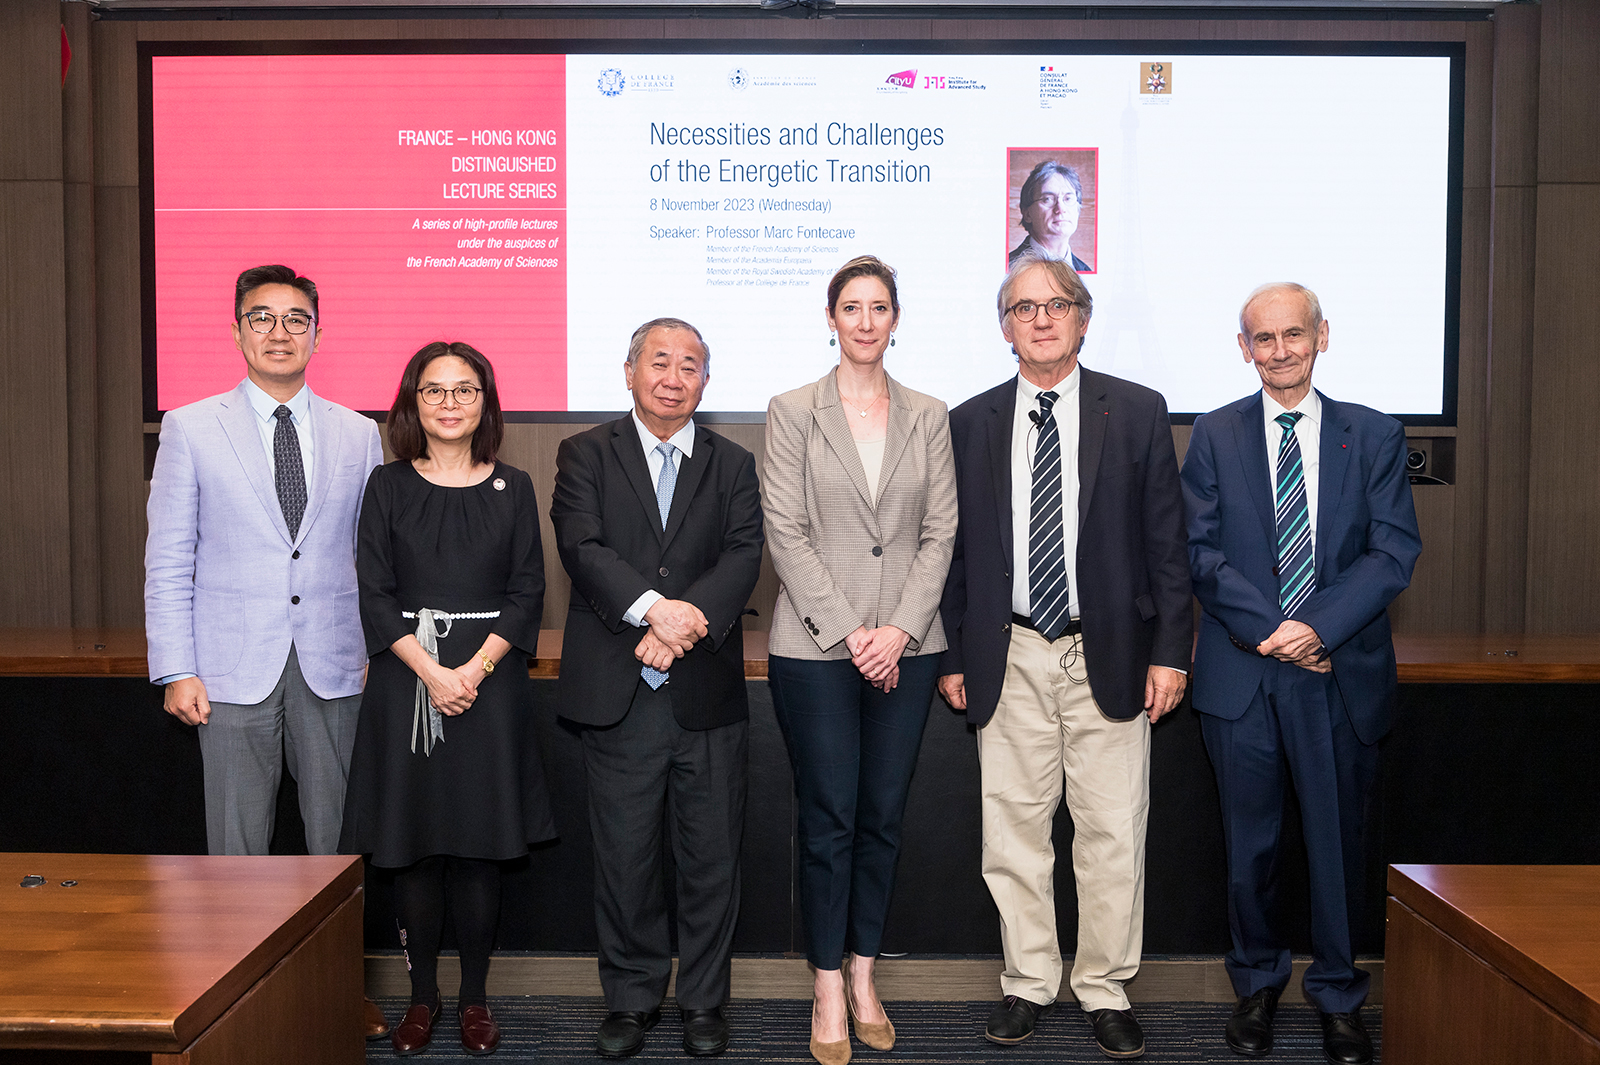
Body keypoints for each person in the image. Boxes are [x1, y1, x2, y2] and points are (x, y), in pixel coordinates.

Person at [937, 252, 1191, 1060]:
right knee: (1011, 828)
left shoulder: (1139, 409)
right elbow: (954, 552)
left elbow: (1168, 545)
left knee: (1112, 829)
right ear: (1003, 326)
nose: (1040, 318)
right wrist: (951, 652)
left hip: (1108, 650)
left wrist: (1172, 652)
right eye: (1023, 307)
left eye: (1056, 305)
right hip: (1005, 648)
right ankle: (1027, 980)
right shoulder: (970, 420)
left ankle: (1106, 986)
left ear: (1083, 318)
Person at [143, 263, 389, 1040]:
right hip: (229, 668)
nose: (279, 332)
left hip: (335, 663)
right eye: (261, 317)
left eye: (295, 318)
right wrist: (175, 665)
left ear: (319, 331)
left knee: (337, 847)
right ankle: (236, 1002)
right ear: (237, 329)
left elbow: (372, 555)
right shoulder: (189, 425)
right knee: (236, 852)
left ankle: (340, 992)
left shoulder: (358, 431)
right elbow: (167, 555)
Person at [1180, 283, 1420, 1065]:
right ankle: (1256, 984)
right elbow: (1200, 552)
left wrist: (1316, 627)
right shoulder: (1213, 434)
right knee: (1250, 846)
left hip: (1335, 671)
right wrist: (1272, 632)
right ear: (1242, 345)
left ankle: (1341, 994)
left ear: (1323, 335)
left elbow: (1393, 552)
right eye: (1263, 337)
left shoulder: (1374, 434)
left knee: (1335, 842)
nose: (1280, 350)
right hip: (1244, 672)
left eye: (1294, 334)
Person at [550, 318, 764, 1059]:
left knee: (711, 859)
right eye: (660, 361)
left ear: (707, 379)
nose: (674, 375)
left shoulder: (734, 464)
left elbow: (744, 552)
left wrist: (685, 623)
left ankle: (704, 1000)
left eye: (692, 365)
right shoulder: (584, 454)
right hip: (620, 693)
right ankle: (634, 996)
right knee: (626, 857)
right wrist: (655, 610)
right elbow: (581, 544)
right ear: (630, 370)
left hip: (704, 695)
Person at [763, 256, 958, 1065]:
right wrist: (854, 634)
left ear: (897, 318)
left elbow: (940, 531)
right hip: (814, 651)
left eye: (880, 307)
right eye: (853, 307)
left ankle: (866, 971)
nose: (867, 320)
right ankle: (827, 985)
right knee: (828, 820)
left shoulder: (929, 413)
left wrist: (899, 632)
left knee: (881, 816)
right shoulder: (792, 411)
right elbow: (786, 529)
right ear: (832, 317)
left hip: (910, 649)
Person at [339, 341, 556, 1057]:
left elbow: (528, 590)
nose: (451, 402)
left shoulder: (515, 485)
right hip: (407, 685)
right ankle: (422, 997)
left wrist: (473, 670)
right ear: (413, 403)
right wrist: (431, 672)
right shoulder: (388, 485)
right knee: (417, 850)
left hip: (488, 689)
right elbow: (374, 591)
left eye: (465, 390)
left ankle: (473, 999)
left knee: (478, 851)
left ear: (485, 403)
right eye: (435, 390)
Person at [1008, 160, 1092, 272]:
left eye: (1068, 199)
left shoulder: (1086, 271)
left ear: (1077, 209)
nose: (1060, 209)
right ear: (1027, 214)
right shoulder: (1008, 269)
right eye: (1047, 199)